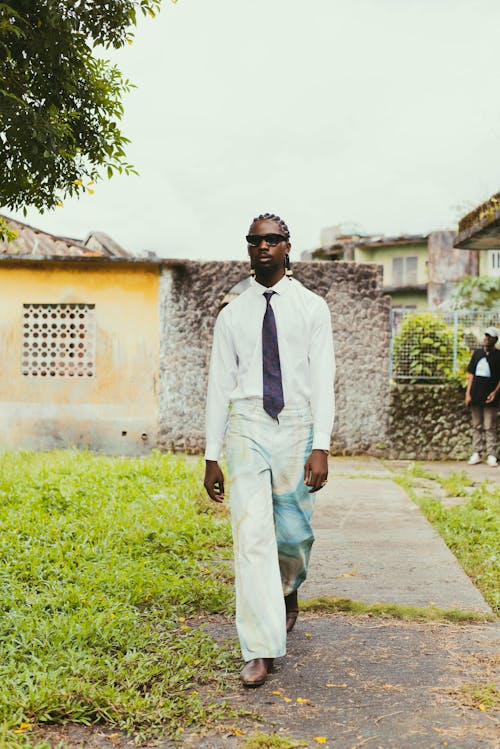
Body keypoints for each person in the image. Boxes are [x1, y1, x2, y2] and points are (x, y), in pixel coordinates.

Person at [204, 213, 335, 687]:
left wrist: (320, 445)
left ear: (287, 246)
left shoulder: (312, 308)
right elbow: (219, 386)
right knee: (253, 536)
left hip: (297, 426)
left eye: (272, 240)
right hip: (247, 427)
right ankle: (259, 649)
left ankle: (288, 587)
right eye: (255, 241)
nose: (263, 247)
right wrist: (211, 453)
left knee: (293, 536)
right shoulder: (232, 314)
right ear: (248, 248)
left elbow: (323, 381)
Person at [465, 326, 500, 467]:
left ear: (495, 340)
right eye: (486, 336)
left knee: (489, 426)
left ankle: (491, 454)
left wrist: (494, 393)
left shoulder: (499, 355)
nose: (486, 338)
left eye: (489, 336)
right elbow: (471, 374)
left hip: (491, 398)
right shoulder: (477, 354)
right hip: (476, 395)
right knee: (476, 425)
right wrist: (468, 394)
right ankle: (476, 452)